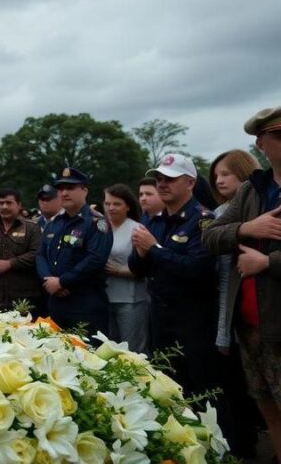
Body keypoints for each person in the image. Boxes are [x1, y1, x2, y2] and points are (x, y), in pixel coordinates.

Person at [204, 107, 281, 461]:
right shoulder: (253, 189)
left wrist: (268, 262)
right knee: (268, 409)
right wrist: (247, 229)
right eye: (272, 136)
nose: (266, 141)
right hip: (250, 325)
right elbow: (211, 235)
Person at [129, 154, 223, 401]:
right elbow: (138, 270)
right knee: (167, 387)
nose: (162, 184)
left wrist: (154, 249)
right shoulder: (153, 220)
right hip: (160, 316)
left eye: (170, 179)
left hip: (193, 319)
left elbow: (196, 268)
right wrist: (141, 254)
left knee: (203, 389)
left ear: (190, 182)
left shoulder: (203, 220)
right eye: (159, 178)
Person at [207, 148, 264, 459]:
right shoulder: (220, 214)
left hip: (258, 307)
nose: (219, 180)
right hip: (235, 311)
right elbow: (212, 240)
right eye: (216, 176)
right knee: (250, 390)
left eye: (226, 173)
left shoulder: (261, 205)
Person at [35, 167, 112, 338]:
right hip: (56, 300)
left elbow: (95, 259)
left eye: (70, 188)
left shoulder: (96, 222)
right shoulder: (55, 223)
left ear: (84, 190)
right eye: (61, 189)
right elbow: (41, 254)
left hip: (85, 303)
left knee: (89, 357)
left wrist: (63, 282)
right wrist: (48, 280)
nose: (64, 193)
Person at [0, 188, 44, 315]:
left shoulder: (32, 228)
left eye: (9, 203)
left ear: (19, 205)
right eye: (1, 203)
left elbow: (36, 254)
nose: (4, 206)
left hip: (23, 298)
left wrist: (9, 264)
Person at [102, 184, 148, 353]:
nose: (111, 208)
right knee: (109, 349)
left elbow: (146, 267)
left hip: (130, 298)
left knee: (132, 349)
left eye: (117, 204)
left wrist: (120, 270)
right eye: (107, 203)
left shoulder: (136, 229)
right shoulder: (100, 226)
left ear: (128, 206)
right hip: (104, 296)